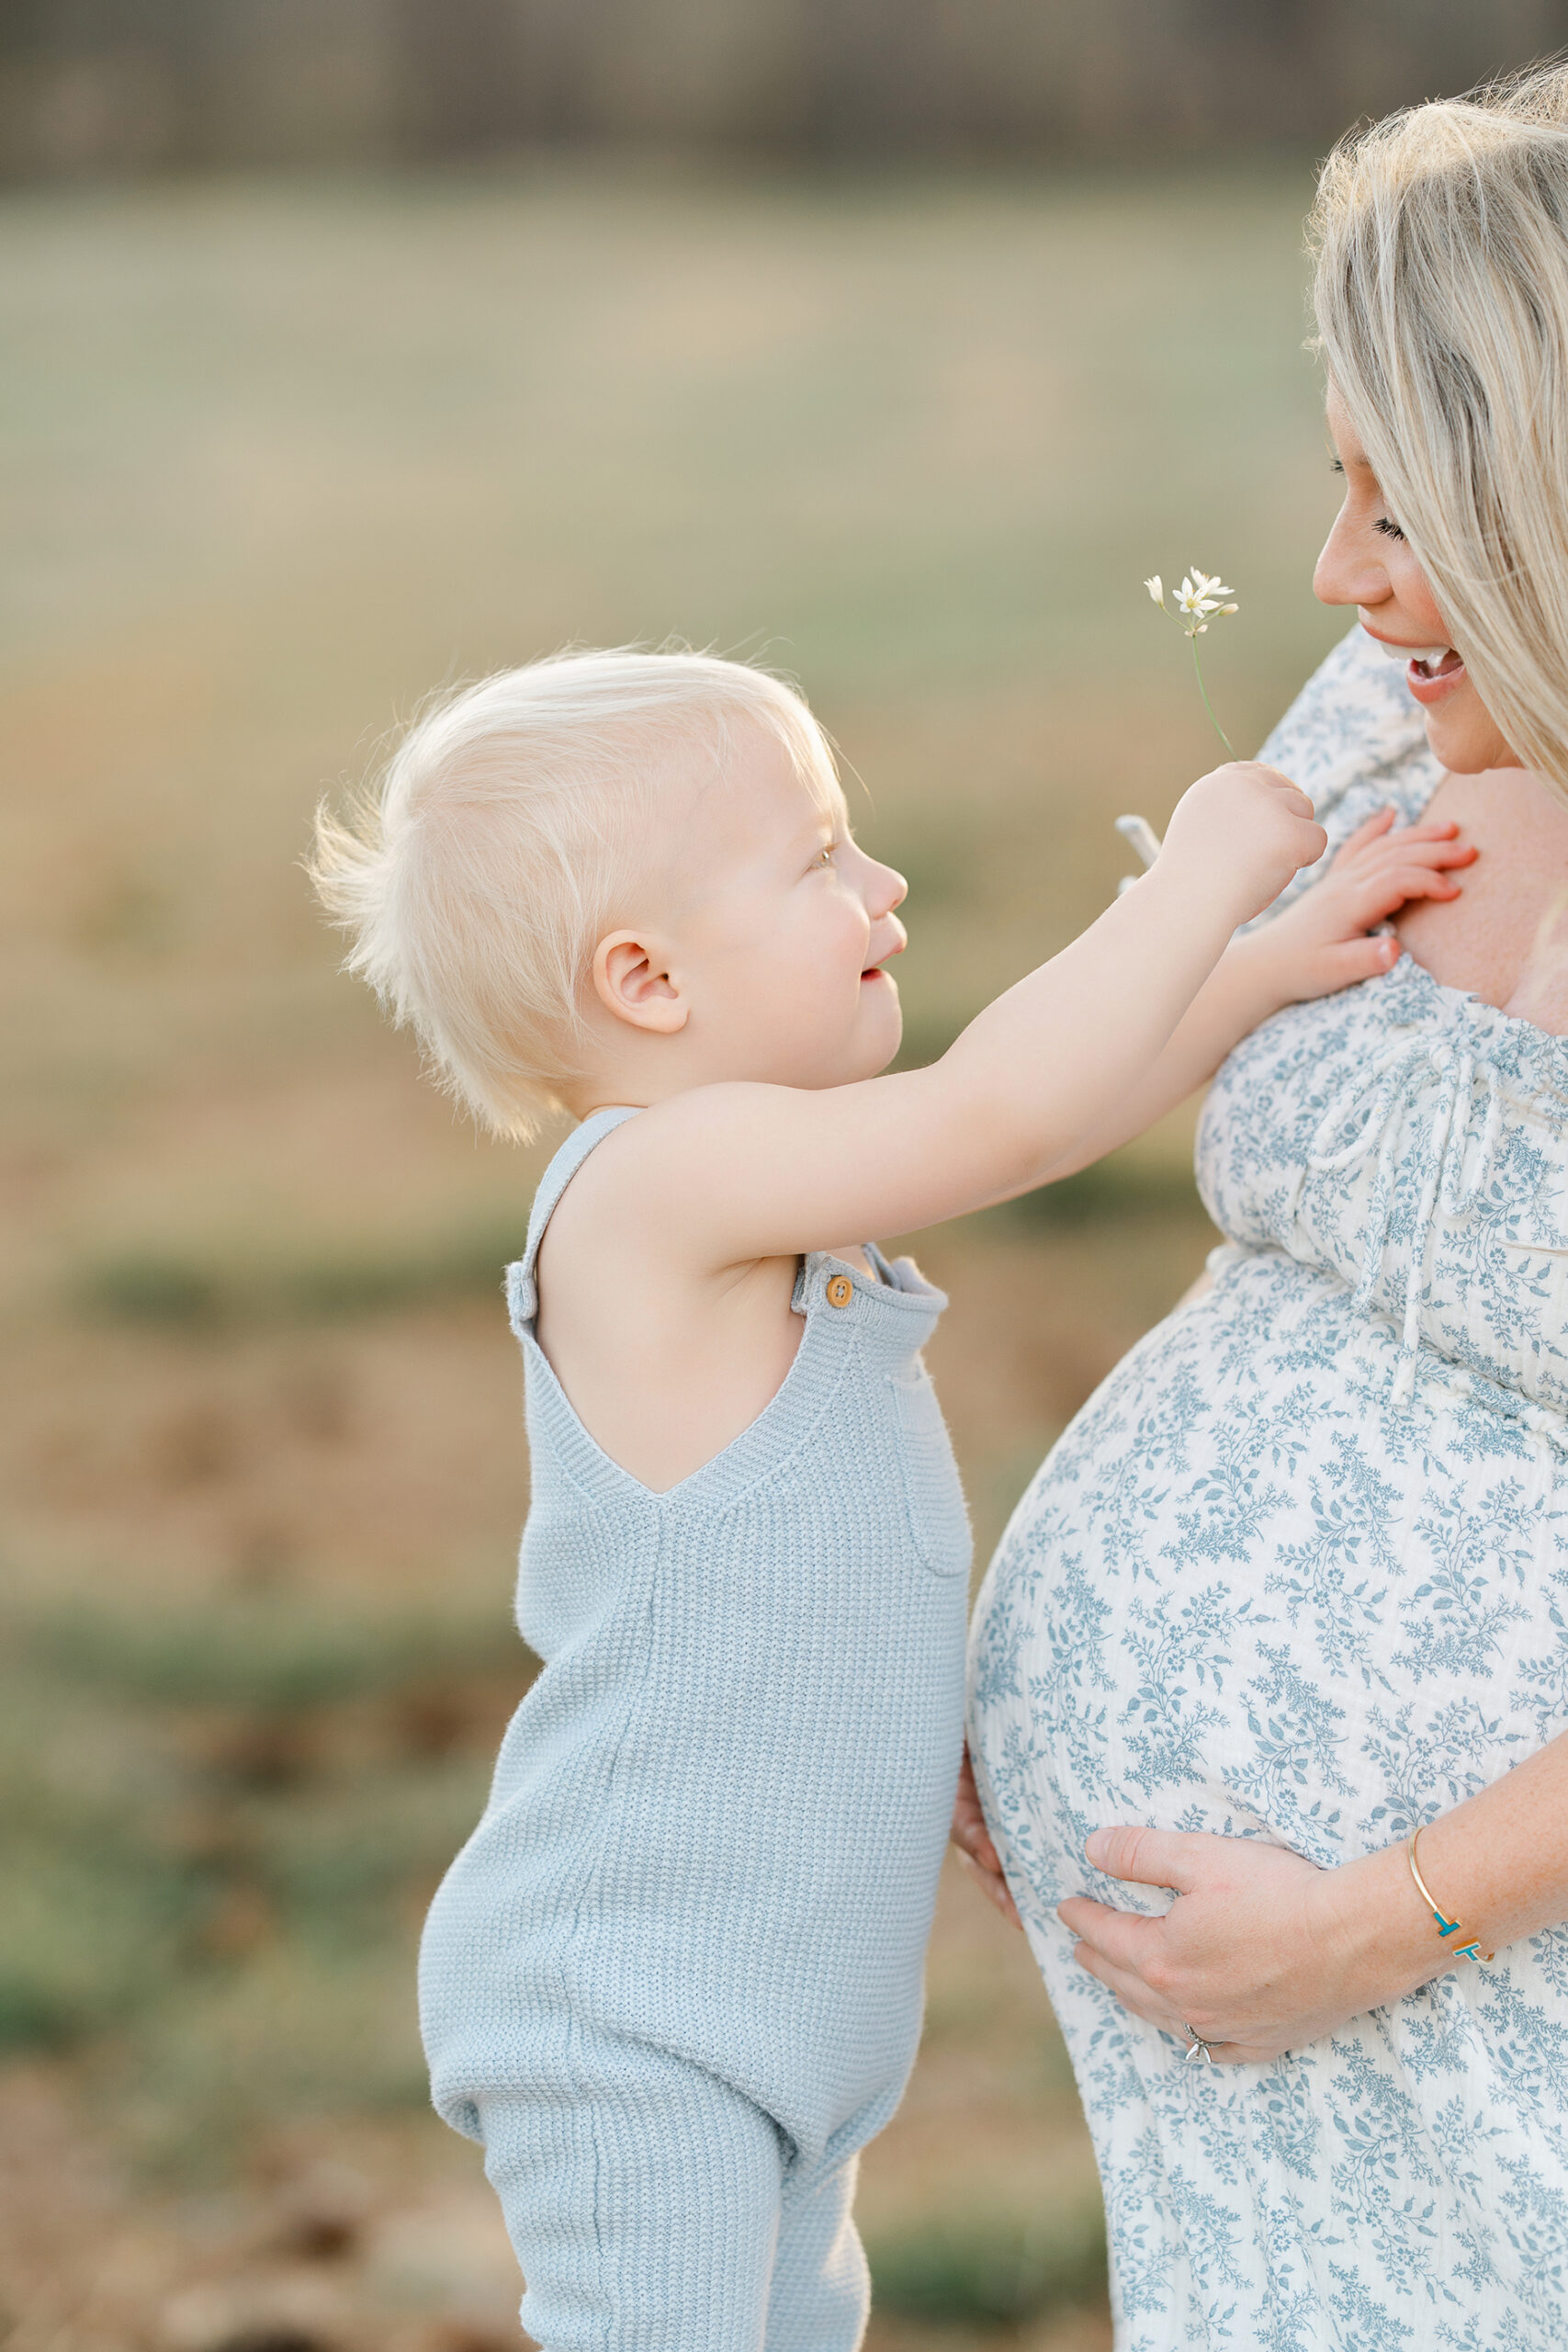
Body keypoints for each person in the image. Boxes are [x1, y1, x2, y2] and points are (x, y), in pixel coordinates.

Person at [306, 641, 1363, 2348]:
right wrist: (1202, 875)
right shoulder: (660, 1189)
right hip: (634, 2018)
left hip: (779, 2017)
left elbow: (1059, 1111)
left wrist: (1257, 972)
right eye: (816, 859)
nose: (880, 888)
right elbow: (1002, 1113)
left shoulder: (768, 1194)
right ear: (645, 978)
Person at [962, 62, 1568, 2352]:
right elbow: (1030, 1098)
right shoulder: (1395, 706)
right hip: (1235, 2081)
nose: (1330, 571)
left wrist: (1381, 1914)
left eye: (1393, 503)